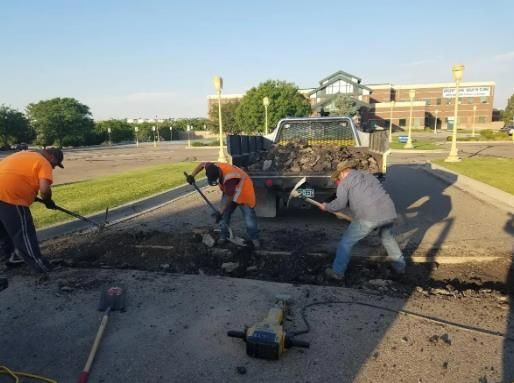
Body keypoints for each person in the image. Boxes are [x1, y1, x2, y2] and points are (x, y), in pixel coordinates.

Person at [320, 160, 406, 281]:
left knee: (346, 243)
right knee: (387, 238)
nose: (338, 179)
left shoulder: (345, 182)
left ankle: (337, 272)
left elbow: (340, 203)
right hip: (388, 212)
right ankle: (400, 266)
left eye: (339, 176)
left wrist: (326, 206)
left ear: (343, 172)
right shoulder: (369, 175)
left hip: (368, 216)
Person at [0, 147, 64, 273]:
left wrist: (30, 194)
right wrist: (48, 201)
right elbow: (44, 190)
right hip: (11, 196)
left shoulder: (22, 154)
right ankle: (40, 266)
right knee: (23, 233)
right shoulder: (44, 162)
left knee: (4, 232)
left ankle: (9, 259)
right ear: (52, 157)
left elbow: (15, 174)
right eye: (55, 164)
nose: (53, 168)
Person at [187, 162, 260, 248]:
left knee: (249, 217)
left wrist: (220, 212)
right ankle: (223, 236)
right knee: (225, 215)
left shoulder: (230, 178)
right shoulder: (212, 167)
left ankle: (254, 240)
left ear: (219, 173)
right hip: (230, 190)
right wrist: (192, 175)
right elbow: (202, 164)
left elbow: (229, 196)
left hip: (244, 191)